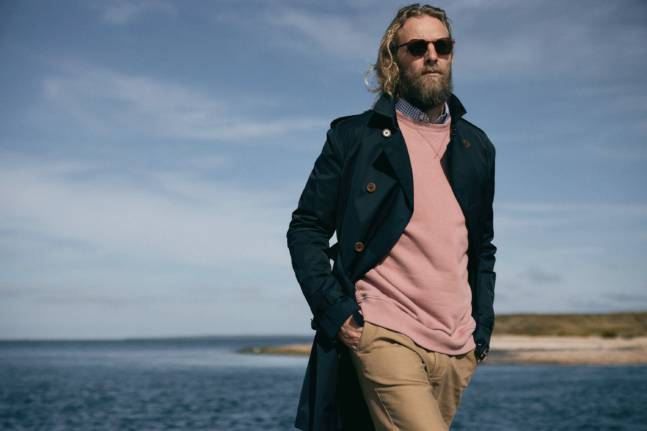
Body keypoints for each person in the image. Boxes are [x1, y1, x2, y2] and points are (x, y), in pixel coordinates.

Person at [287, 4, 497, 430]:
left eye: (442, 46)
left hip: (456, 346)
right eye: (417, 47)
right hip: (385, 330)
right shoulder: (354, 138)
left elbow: (481, 247)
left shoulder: (477, 146)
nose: (432, 56)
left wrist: (481, 330)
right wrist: (337, 313)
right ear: (393, 59)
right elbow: (306, 228)